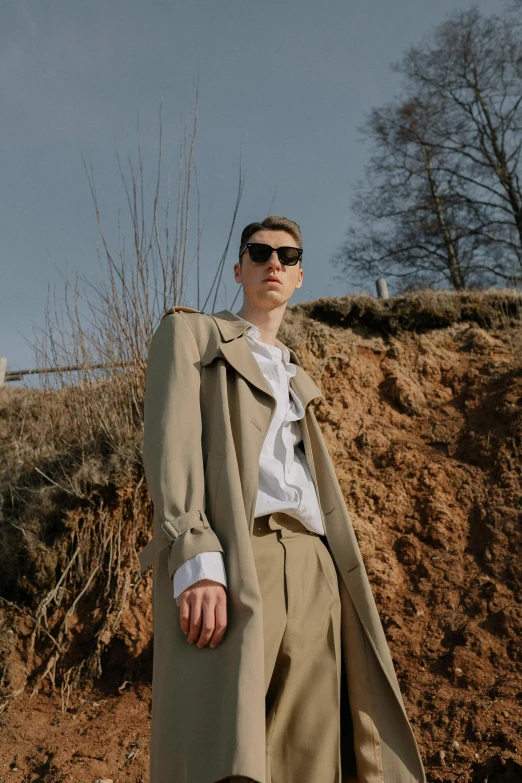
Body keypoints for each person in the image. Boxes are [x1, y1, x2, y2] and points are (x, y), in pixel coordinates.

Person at [139, 216, 426, 783]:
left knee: (310, 760)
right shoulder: (193, 335)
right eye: (261, 252)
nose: (275, 263)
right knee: (223, 753)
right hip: (243, 557)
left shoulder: (298, 377)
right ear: (239, 267)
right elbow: (170, 446)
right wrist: (194, 554)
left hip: (317, 568)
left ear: (299, 278)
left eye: (288, 257)